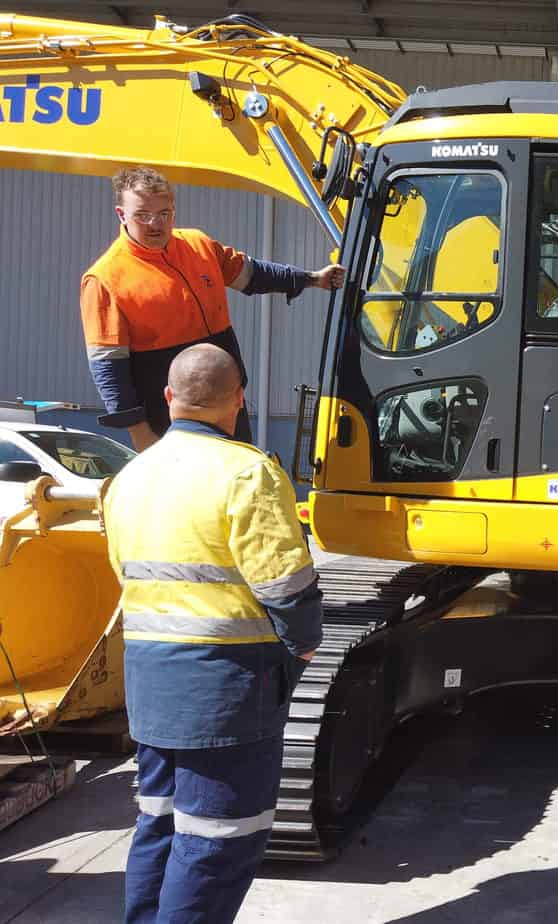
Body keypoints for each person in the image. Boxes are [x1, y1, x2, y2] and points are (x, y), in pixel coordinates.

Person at [102, 344, 323, 924]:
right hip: (226, 690)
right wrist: (302, 643)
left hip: (150, 686)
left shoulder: (129, 477)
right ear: (239, 400)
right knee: (218, 840)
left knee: (160, 824)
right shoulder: (248, 472)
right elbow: (286, 587)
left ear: (168, 398)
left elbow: (124, 574)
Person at [81, 165, 345, 450]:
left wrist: (313, 279)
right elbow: (109, 368)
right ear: (121, 214)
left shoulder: (199, 245)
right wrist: (139, 432)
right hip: (170, 416)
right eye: (142, 215)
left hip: (228, 402)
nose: (155, 224)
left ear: (174, 210)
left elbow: (252, 274)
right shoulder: (105, 278)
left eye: (164, 214)